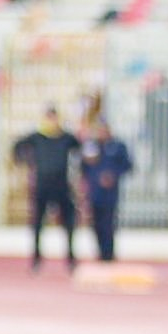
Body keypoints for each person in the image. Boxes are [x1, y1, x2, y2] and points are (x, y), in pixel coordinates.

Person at [14, 106, 82, 273]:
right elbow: (17, 147)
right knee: (37, 223)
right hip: (42, 185)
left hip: (62, 185)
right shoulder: (37, 137)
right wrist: (25, 161)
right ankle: (36, 260)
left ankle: (71, 260)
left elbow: (82, 148)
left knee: (68, 223)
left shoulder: (66, 137)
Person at [81, 119, 134, 263]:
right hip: (94, 193)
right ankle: (100, 252)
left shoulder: (118, 146)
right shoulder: (91, 146)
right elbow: (83, 167)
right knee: (96, 224)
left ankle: (109, 254)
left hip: (110, 195)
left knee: (109, 224)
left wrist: (113, 175)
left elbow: (128, 166)